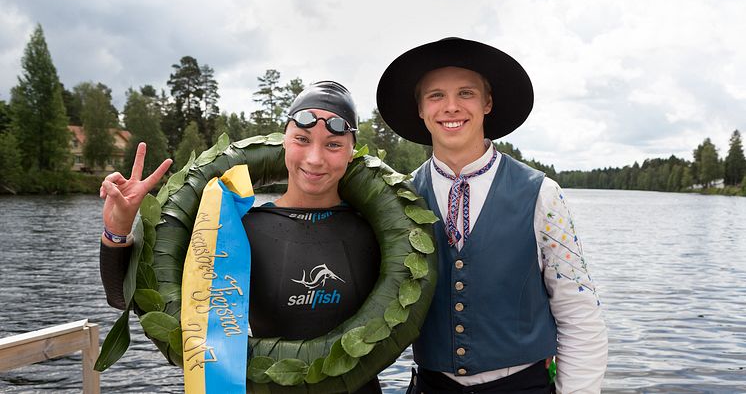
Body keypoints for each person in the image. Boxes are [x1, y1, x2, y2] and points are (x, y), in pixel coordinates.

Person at [99, 81, 382, 393]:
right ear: (284, 142)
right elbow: (122, 297)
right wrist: (119, 228)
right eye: (302, 139)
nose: (315, 159)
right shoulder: (238, 230)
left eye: (333, 145)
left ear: (350, 152)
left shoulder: (371, 231)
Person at [376, 38, 608, 393]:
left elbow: (579, 312)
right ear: (421, 109)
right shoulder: (399, 199)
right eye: (436, 96)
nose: (451, 107)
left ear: (487, 103)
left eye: (466, 93)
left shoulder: (542, 194)